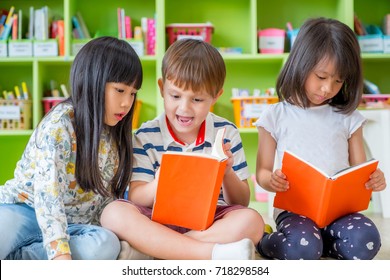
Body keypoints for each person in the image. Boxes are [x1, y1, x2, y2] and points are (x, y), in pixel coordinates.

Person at [101, 38, 265, 260]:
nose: (184, 108)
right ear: (162, 88)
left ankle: (156, 251)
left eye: (197, 99)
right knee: (113, 213)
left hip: (209, 222)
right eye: (175, 96)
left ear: (216, 96)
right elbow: (138, 197)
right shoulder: (145, 136)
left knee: (253, 221)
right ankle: (205, 253)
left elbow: (241, 202)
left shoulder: (226, 132)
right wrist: (160, 183)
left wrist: (227, 172)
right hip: (156, 220)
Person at [255, 17, 387, 260]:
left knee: (366, 241)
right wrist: (271, 180)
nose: (328, 88)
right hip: (295, 211)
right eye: (321, 76)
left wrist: (373, 180)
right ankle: (265, 241)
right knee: (302, 248)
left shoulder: (349, 118)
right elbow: (262, 172)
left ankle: (321, 243)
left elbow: (360, 173)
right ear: (300, 64)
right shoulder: (275, 115)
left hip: (340, 212)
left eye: (338, 80)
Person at [0, 36, 143, 260]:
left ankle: (17, 259)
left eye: (133, 93)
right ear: (91, 83)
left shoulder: (116, 135)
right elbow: (48, 195)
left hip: (74, 225)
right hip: (24, 210)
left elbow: (106, 200)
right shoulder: (60, 124)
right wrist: (60, 256)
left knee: (105, 245)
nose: (127, 102)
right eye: (120, 90)